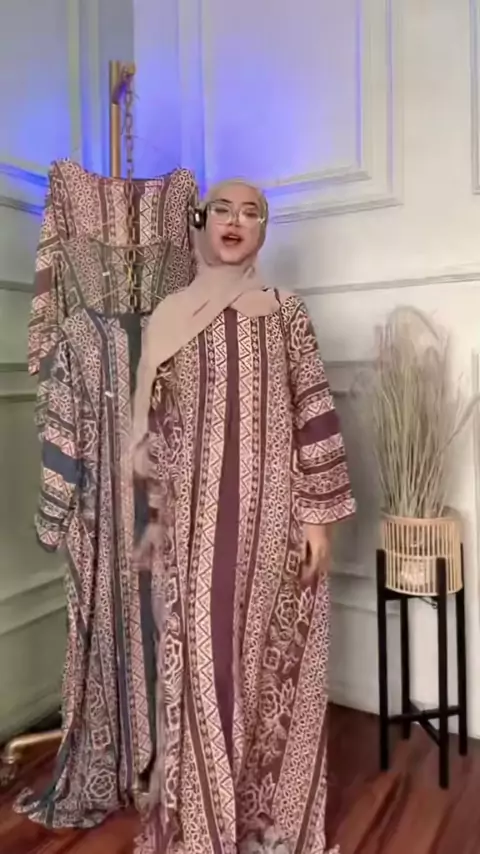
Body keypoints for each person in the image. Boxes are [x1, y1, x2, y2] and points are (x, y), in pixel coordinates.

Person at [130, 179, 356, 854]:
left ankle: (262, 817)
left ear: (263, 230)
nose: (235, 221)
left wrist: (318, 519)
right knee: (203, 664)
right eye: (223, 209)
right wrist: (154, 517)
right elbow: (158, 427)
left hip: (275, 524)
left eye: (250, 212)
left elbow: (313, 412)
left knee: (263, 668)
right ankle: (202, 825)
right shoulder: (170, 315)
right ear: (203, 222)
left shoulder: (285, 312)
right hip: (193, 529)